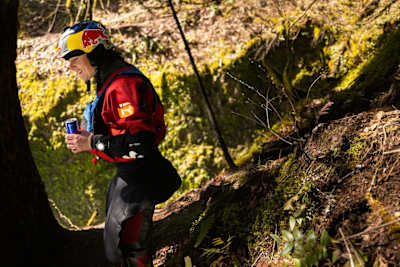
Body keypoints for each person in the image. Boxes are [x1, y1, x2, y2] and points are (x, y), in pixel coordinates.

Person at [58, 21, 181, 267]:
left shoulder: (122, 84)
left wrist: (92, 142)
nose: (69, 66)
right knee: (115, 248)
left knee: (127, 248)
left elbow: (140, 144)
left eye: (73, 57)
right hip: (128, 175)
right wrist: (89, 137)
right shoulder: (108, 79)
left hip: (143, 175)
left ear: (94, 52)